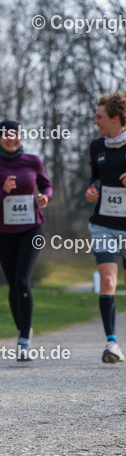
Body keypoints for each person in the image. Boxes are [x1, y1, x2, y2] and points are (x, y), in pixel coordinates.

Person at [0, 120, 52, 362]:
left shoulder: (33, 161)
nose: (11, 139)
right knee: (13, 286)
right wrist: (2, 192)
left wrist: (45, 197)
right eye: (6, 135)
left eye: (14, 134)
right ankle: (22, 330)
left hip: (32, 229)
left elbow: (47, 185)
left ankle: (24, 340)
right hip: (4, 232)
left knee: (22, 280)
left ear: (20, 137)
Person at [84, 92, 126, 364]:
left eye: (99, 116)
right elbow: (95, 177)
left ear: (115, 118)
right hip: (103, 225)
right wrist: (92, 189)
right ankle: (111, 343)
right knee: (108, 281)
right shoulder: (97, 146)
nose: (95, 121)